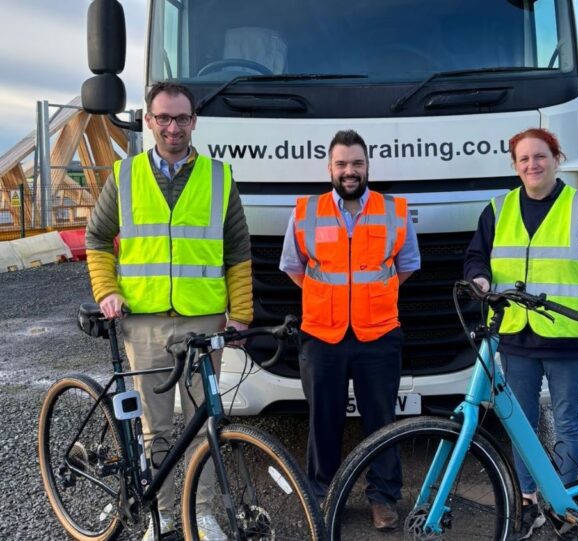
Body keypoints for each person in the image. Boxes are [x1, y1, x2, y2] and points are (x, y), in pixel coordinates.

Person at [85, 82, 253, 541]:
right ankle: (159, 517)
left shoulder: (219, 177)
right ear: (150, 120)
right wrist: (107, 291)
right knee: (154, 428)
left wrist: (240, 315)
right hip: (145, 323)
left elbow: (238, 252)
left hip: (203, 322)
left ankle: (196, 514)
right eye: (163, 118)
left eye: (181, 118)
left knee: (205, 423)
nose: (173, 127)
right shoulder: (125, 175)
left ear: (194, 121)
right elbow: (97, 239)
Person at [464, 128, 578, 539]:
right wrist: (479, 279)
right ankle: (527, 502)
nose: (532, 165)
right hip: (516, 335)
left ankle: (563, 501)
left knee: (566, 421)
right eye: (523, 159)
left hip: (565, 335)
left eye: (540, 156)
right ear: (514, 165)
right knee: (520, 423)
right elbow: (474, 257)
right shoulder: (498, 208)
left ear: (557, 159)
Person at [279, 129, 420, 530]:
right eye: (342, 164)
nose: (350, 171)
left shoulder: (394, 210)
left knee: (382, 421)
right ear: (330, 168)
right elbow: (294, 267)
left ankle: (383, 498)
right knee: (323, 420)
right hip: (322, 335)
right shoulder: (307, 210)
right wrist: (331, 300)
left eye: (357, 163)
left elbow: (406, 265)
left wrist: (368, 297)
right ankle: (323, 495)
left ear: (367, 166)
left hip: (378, 334)